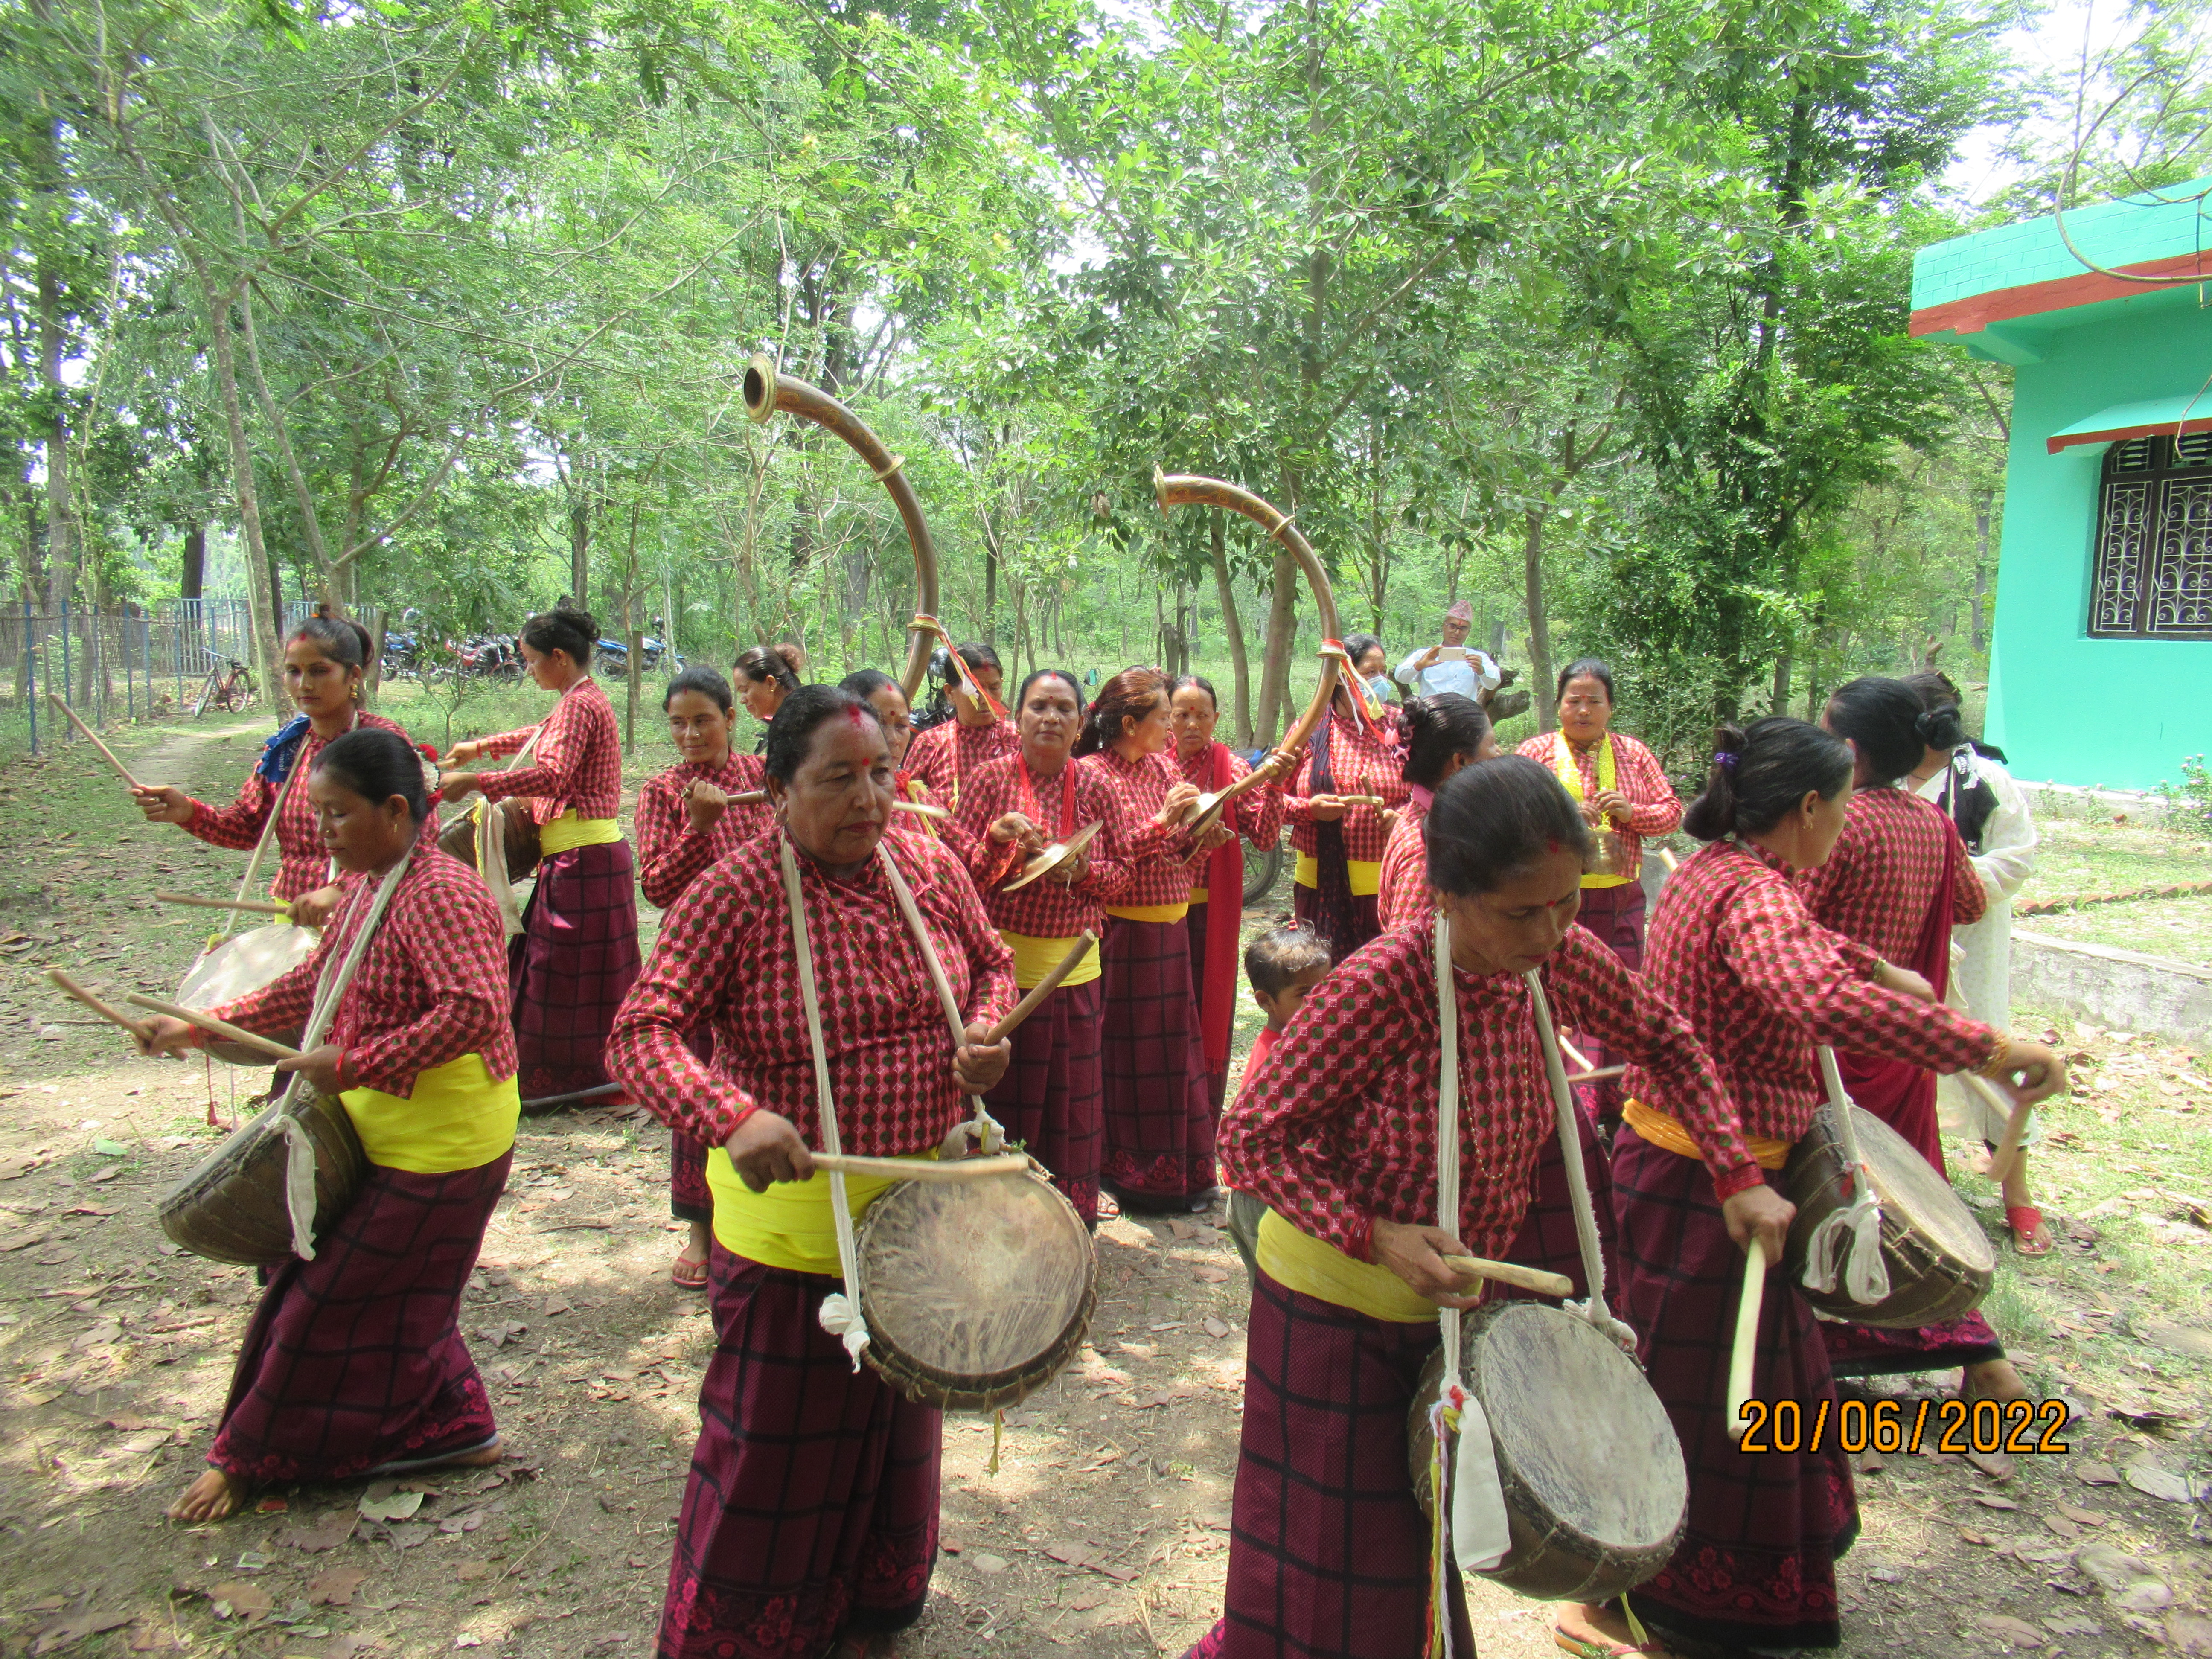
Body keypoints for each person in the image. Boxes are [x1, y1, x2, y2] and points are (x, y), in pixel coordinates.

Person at [1187, 757, 1776, 1659]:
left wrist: (1738, 1173)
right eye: (1522, 912)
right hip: (1335, 1307)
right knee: (1342, 1563)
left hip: (1449, 1315)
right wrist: (1372, 1232)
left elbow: (1672, 1039)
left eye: (1569, 904)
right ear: (1450, 895)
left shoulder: (1558, 958)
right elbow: (1250, 1141)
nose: (1551, 931)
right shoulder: (1382, 987)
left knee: (1419, 1552)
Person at [1611, 716, 2065, 1656]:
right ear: (1811, 807)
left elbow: (1811, 957)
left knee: (1767, 1397)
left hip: (1703, 1173)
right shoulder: (1753, 895)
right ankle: (1649, 1608)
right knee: (1714, 1414)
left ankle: (1664, 1601)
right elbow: (1808, 992)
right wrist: (1991, 1046)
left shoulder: (1722, 871)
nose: (1851, 818)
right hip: (1710, 1184)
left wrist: (1878, 965)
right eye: (1846, 804)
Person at [605, 686, 1016, 1659]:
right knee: (774, 1458)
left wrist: (987, 1030)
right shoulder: (736, 891)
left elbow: (994, 963)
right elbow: (639, 1034)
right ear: (776, 789)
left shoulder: (926, 862)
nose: (868, 797)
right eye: (837, 778)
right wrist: (729, 1113)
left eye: (879, 773)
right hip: (792, 1239)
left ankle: (876, 1601)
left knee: (892, 1437)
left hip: (919, 1225)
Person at [138, 727, 521, 1522]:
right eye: (318, 815)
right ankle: (458, 1426)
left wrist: (352, 1062)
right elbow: (314, 986)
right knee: (379, 1289)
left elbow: (477, 1011)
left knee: (322, 1301)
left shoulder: (440, 892)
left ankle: (253, 1454)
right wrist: (198, 1024)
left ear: (393, 809)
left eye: (337, 816)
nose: (322, 833)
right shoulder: (371, 884)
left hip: (447, 1138)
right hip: (384, 1123)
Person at [1802, 676, 2029, 1400]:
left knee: (1830, 1197)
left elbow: (1787, 927)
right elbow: (1966, 899)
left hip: (1834, 1044)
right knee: (1917, 1200)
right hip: (1903, 1049)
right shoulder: (1928, 822)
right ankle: (1980, 1355)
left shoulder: (1834, 823)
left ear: (1845, 747)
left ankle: (1819, 1353)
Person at [954, 669, 1134, 1225]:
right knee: (1004, 1099)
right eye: (1038, 707)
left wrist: (1081, 871)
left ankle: (1068, 1227)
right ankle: (997, 1222)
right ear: (1018, 717)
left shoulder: (1101, 787)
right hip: (999, 979)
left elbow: (1122, 874)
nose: (1051, 718)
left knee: (1071, 1105)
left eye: (1063, 708)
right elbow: (957, 871)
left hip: (1072, 973)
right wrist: (996, 843)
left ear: (1081, 722)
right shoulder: (988, 782)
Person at [438, 606, 637, 1101]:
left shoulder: (580, 705)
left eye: (530, 661)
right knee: (570, 972)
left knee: (558, 973)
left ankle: (571, 1081)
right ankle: (588, 1075)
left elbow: (552, 775)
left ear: (559, 657)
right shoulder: (578, 700)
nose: (527, 670)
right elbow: (540, 735)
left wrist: (477, 781)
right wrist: (480, 747)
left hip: (584, 861)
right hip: (582, 860)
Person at [133, 616, 420, 927]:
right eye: (293, 671)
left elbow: (418, 833)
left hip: (366, 911)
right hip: (292, 912)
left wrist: (340, 890)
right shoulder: (287, 748)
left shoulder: (382, 742)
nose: (304, 685)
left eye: (319, 671)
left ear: (353, 676)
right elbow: (248, 827)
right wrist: (189, 812)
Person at [632, 665, 774, 1290]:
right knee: (697, 1095)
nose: (690, 735)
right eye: (679, 724)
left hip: (765, 958)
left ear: (731, 720)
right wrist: (699, 830)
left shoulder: (761, 778)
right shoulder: (664, 792)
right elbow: (659, 886)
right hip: (695, 965)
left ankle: (763, 1217)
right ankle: (699, 1228)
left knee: (757, 1084)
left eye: (703, 721)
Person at [1905, 670, 2048, 1256]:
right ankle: (1914, 1186)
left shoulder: (1986, 780)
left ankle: (2018, 1195)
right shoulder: (1881, 779)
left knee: (1987, 1051)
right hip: (1904, 940)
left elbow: (2018, 859)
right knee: (1906, 1061)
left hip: (1972, 937)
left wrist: (1950, 883)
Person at [1074, 668, 1222, 1213]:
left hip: (1172, 928)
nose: (1172, 727)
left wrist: (1199, 828)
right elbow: (1109, 862)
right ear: (1131, 723)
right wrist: (1164, 822)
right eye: (1164, 717)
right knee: (1127, 1054)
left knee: (1173, 1051)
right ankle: (1128, 1173)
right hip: (1125, 933)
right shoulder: (1091, 776)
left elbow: (1175, 852)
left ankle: (1183, 1171)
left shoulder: (1163, 766)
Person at [1168, 675, 1291, 1112]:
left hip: (1207, 913)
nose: (1191, 724)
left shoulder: (1232, 768)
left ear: (1216, 719)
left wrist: (1275, 786)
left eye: (1201, 715)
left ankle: (1200, 1113)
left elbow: (1262, 835)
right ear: (1166, 718)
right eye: (1181, 715)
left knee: (1206, 1011)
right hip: (1157, 913)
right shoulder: (1150, 766)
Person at [1515, 658, 1680, 972]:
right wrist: (1561, 816)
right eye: (1574, 701)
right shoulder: (1535, 754)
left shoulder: (1634, 753)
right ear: (1559, 705)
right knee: (1562, 985)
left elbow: (1672, 813)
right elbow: (1509, 815)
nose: (1584, 711)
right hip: (1555, 895)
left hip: (1623, 894)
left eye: (1594, 702)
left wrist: (1634, 813)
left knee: (1623, 980)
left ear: (1610, 708)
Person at [1283, 651, 1411, 965]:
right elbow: (1271, 799)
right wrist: (1309, 810)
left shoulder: (1402, 729)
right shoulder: (1309, 728)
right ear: (1342, 678)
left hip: (1388, 885)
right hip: (1317, 885)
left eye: (1384, 670)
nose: (1380, 681)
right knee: (1321, 975)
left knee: (1381, 977)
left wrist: (1404, 818)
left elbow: (1429, 793)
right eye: (1370, 672)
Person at [1220, 922, 1333, 1279]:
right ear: (1265, 1002)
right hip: (1262, 1199)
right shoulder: (1279, 1058)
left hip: (1270, 1192)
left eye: (1326, 988)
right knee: (1279, 1292)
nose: (1321, 1002)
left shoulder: (1303, 1043)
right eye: (1304, 995)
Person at [1376, 692, 1499, 932]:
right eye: (1492, 744)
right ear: (1461, 761)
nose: (1499, 753)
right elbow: (1404, 952)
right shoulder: (1427, 849)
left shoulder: (1434, 821)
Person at [840, 668, 983, 867]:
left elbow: (974, 863)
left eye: (901, 726)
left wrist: (1001, 841)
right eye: (878, 724)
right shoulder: (832, 800)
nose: (892, 740)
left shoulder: (917, 797)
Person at [903, 641, 1015, 810]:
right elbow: (910, 807)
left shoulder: (1018, 738)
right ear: (950, 693)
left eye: (994, 687)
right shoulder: (930, 744)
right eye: (975, 690)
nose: (985, 699)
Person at [1394, 597, 1502, 704]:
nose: (1457, 632)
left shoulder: (1476, 657)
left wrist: (1482, 671)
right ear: (1444, 627)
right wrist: (1419, 665)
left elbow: (1494, 683)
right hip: (1432, 714)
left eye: (1463, 628)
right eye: (1452, 626)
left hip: (1465, 714)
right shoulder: (1425, 655)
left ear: (1469, 632)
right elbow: (1401, 677)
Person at [732, 643, 803, 745]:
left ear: (771, 683)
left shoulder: (803, 727)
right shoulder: (786, 724)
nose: (742, 700)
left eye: (745, 690)